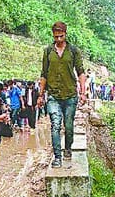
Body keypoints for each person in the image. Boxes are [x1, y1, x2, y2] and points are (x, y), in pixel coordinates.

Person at [37, 21, 87, 168]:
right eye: (56, 37)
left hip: (70, 94)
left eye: (61, 36)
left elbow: (81, 72)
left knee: (69, 126)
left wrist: (83, 92)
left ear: (65, 34)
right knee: (55, 125)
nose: (58, 39)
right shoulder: (48, 51)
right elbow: (44, 74)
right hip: (53, 95)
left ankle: (68, 149)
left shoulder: (73, 51)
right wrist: (40, 95)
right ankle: (57, 157)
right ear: (53, 35)